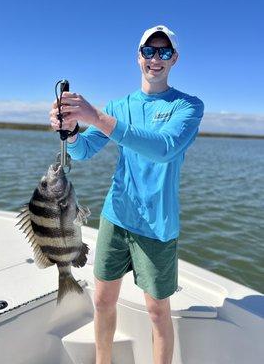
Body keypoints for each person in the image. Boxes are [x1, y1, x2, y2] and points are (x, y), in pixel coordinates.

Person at [50, 24, 204, 364]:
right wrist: (73, 131)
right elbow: (84, 150)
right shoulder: (120, 106)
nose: (156, 59)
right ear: (139, 58)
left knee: (156, 310)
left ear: (174, 58)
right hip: (116, 216)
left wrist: (96, 117)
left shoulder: (188, 106)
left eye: (164, 52)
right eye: (149, 51)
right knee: (103, 300)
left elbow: (164, 148)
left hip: (158, 225)